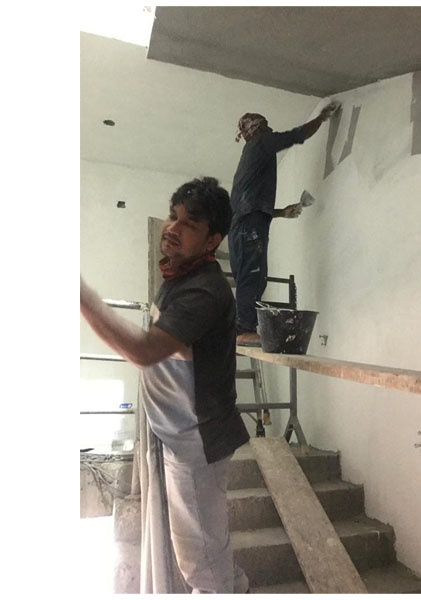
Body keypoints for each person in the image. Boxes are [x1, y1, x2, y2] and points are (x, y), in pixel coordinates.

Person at [80, 177, 250, 593]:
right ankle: (238, 587)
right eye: (173, 216)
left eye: (189, 224)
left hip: (195, 441)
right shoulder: (180, 275)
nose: (173, 227)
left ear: (212, 241)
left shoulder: (204, 291)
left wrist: (82, 297)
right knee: (208, 545)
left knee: (200, 561)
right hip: (175, 433)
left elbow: (144, 351)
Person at [229, 101, 341, 346]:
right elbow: (295, 135)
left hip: (246, 226)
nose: (269, 128)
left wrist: (281, 212)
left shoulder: (254, 154)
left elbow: (251, 202)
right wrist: (321, 117)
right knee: (252, 277)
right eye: (264, 125)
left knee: (256, 278)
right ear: (255, 129)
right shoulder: (260, 144)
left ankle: (245, 327)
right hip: (248, 227)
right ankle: (243, 330)